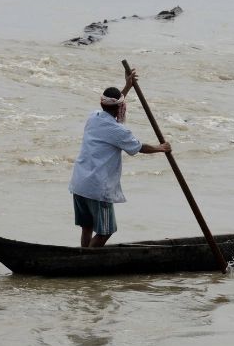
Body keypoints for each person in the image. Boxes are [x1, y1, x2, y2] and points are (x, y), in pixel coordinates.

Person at [69, 69, 171, 247]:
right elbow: (139, 147)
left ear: (102, 103)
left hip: (79, 183)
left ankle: (82, 257)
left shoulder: (93, 116)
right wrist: (160, 148)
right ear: (119, 107)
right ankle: (84, 261)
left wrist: (127, 86)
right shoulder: (118, 131)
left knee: (87, 227)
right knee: (105, 231)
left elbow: (114, 103)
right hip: (97, 189)